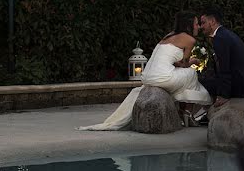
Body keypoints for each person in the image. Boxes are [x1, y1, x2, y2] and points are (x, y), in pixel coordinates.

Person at [78, 12, 211, 130]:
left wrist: (181, 63)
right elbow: (184, 64)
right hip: (163, 77)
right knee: (192, 73)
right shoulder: (190, 40)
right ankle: (187, 112)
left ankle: (184, 113)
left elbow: (170, 59)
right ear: (188, 25)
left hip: (148, 76)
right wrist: (193, 61)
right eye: (196, 24)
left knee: (186, 76)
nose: (198, 27)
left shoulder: (169, 36)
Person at [198, 6, 244, 109]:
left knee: (200, 82)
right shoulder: (225, 34)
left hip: (240, 86)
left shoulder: (220, 38)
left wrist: (224, 96)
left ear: (212, 21)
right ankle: (209, 111)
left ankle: (208, 111)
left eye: (203, 23)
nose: (201, 27)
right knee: (209, 80)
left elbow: (224, 68)